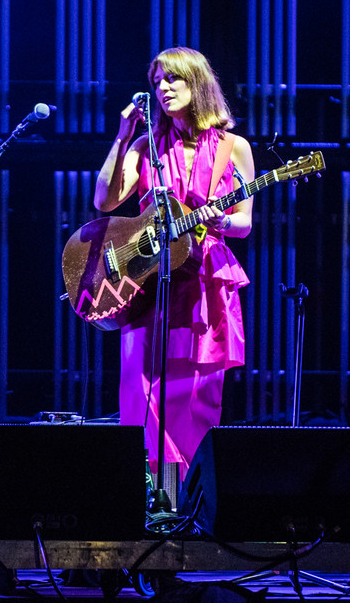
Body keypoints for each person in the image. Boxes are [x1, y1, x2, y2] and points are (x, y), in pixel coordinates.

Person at [93, 46, 255, 479]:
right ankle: (149, 496)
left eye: (173, 80)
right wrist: (122, 135)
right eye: (158, 81)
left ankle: (191, 500)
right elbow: (105, 200)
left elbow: (243, 224)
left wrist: (221, 216)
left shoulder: (234, 148)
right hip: (148, 278)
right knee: (141, 390)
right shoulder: (146, 145)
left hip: (206, 276)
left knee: (197, 393)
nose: (162, 89)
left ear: (197, 84)